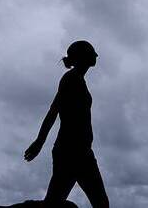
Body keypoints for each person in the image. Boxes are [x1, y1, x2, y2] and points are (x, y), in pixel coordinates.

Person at [24, 40, 109, 208]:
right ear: (82, 57)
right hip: (70, 152)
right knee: (57, 202)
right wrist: (39, 142)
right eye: (92, 52)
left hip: (82, 152)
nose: (96, 56)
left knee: (100, 203)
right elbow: (53, 111)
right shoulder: (70, 80)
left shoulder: (78, 80)